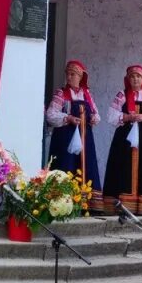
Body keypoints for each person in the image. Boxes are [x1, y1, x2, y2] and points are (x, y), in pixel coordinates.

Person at [102, 64, 142, 216]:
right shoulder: (122, 95)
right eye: (132, 77)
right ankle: (120, 206)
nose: (135, 79)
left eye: (138, 76)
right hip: (124, 137)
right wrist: (126, 117)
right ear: (128, 79)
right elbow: (111, 115)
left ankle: (140, 206)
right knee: (122, 167)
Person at [44, 59, 103, 212]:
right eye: (67, 74)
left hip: (85, 138)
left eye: (73, 74)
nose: (69, 77)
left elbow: (97, 115)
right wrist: (68, 118)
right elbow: (50, 114)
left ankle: (87, 205)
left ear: (80, 76)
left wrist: (92, 118)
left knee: (86, 167)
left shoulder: (87, 95)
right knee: (66, 166)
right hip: (65, 139)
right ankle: (63, 204)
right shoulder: (61, 93)